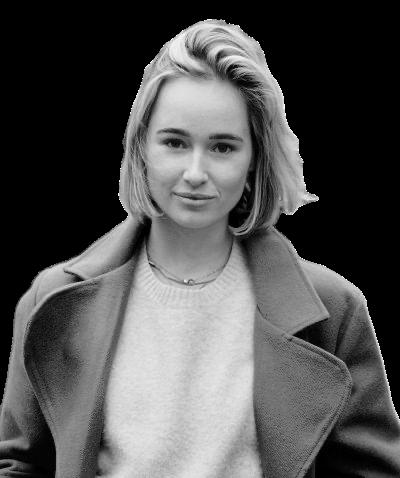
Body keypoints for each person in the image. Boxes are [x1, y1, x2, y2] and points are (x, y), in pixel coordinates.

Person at [0, 19, 399, 478]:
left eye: (222, 147)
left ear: (254, 160)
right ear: (141, 147)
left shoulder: (333, 310)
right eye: (174, 142)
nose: (195, 172)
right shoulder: (52, 298)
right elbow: (18, 464)